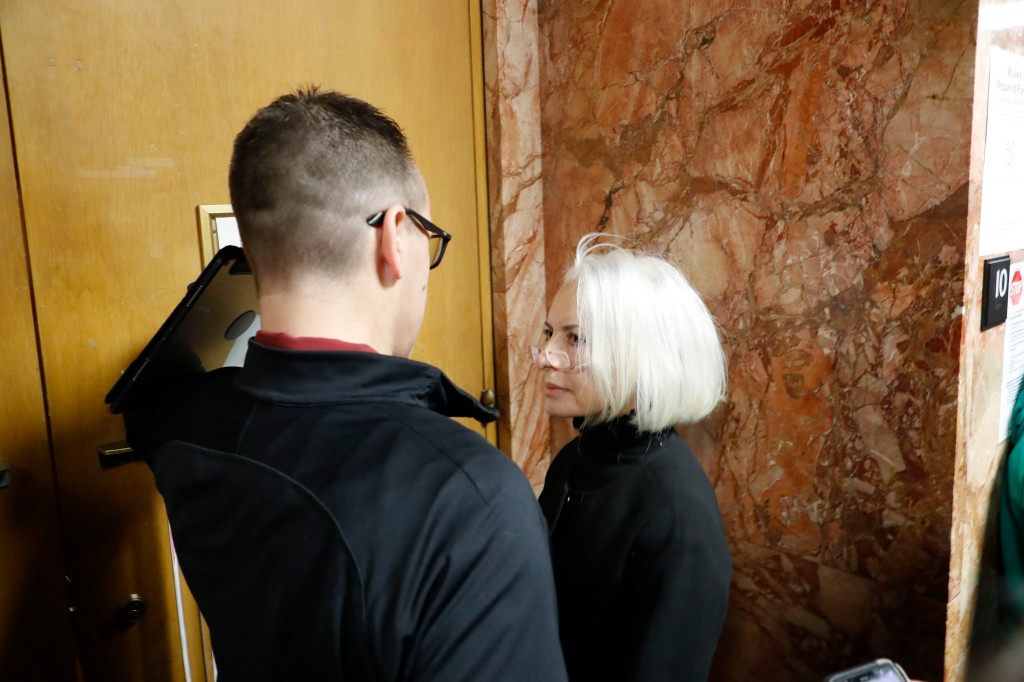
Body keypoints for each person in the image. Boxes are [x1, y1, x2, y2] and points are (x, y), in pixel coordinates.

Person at [126, 87, 567, 681]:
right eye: (426, 238)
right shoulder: (469, 500)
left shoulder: (186, 426)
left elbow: (151, 399)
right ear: (392, 236)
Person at [536, 234, 732, 681]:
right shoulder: (576, 459)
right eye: (549, 333)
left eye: (576, 338)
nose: (547, 356)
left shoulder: (677, 514)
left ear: (643, 355)